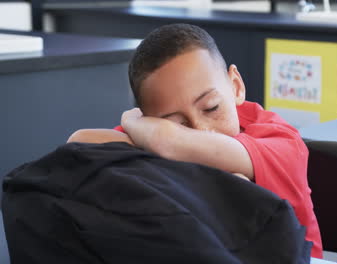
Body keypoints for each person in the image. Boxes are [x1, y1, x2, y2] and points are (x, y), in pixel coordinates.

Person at [68, 23, 323, 258]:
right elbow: (79, 142)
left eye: (211, 108)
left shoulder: (283, 141)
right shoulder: (150, 133)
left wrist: (135, 122)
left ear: (235, 86)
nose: (201, 130)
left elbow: (168, 142)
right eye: (177, 123)